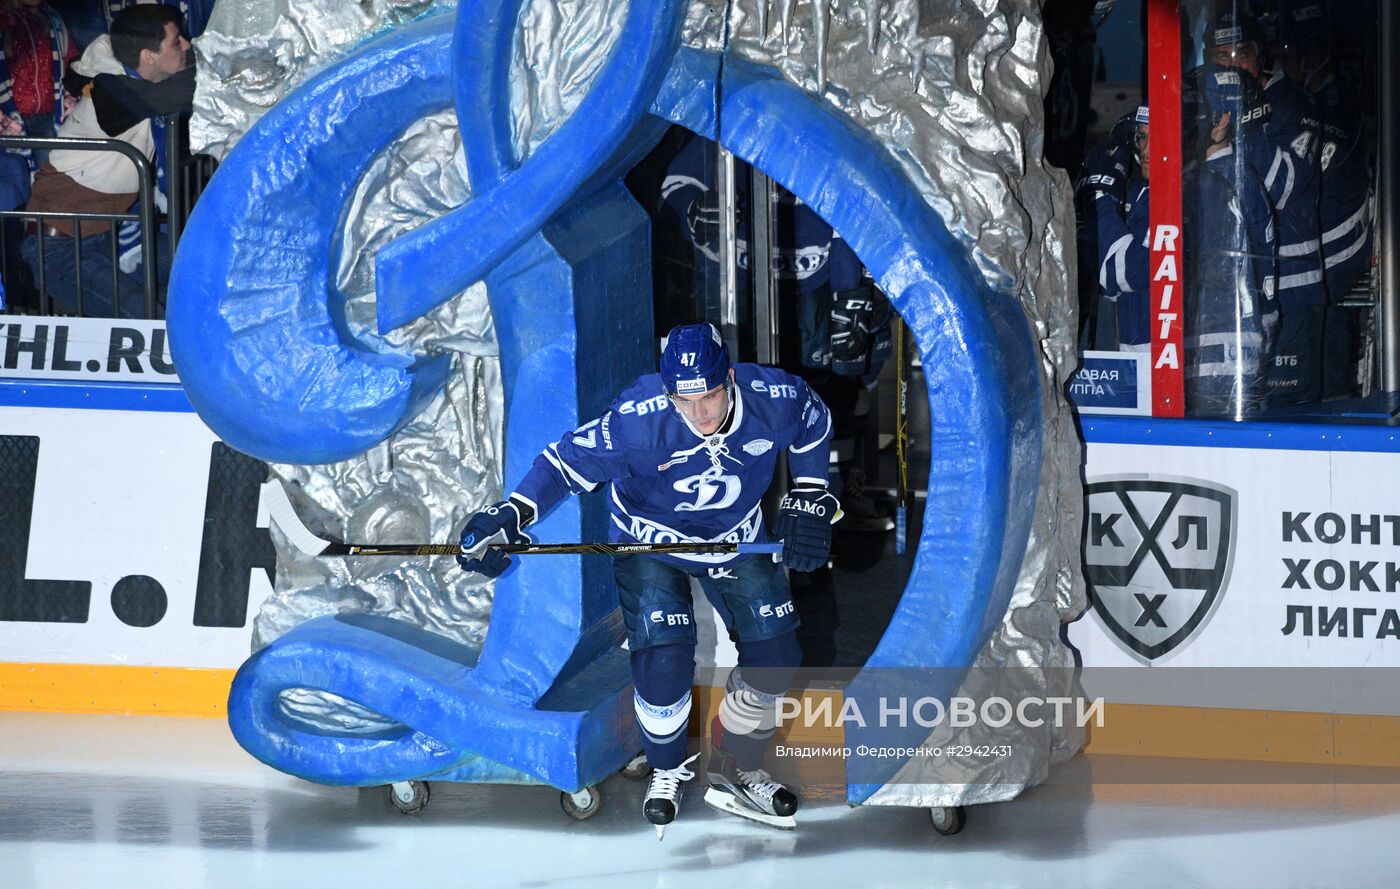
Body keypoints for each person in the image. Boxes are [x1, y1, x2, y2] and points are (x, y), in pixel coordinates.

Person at [455, 322, 838, 836]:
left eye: (710, 396)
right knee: (664, 660)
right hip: (651, 542)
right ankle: (667, 767)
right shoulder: (639, 420)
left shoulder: (775, 397)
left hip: (735, 537)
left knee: (777, 659)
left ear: (730, 377)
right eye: (685, 400)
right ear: (667, 392)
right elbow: (564, 463)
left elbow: (816, 419)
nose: (700, 413)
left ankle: (736, 762)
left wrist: (812, 493)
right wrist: (512, 514)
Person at [20, 3, 192, 318]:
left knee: (203, 273)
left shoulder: (133, 84)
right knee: (144, 320)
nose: (187, 45)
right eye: (176, 41)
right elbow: (192, 88)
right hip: (61, 250)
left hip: (112, 238)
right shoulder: (114, 94)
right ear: (148, 56)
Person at [1208, 9, 1327, 405]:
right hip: (1231, 300)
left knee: (1292, 421)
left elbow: (1285, 189)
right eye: (1221, 55)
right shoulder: (1203, 108)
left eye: (1241, 53)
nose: (1232, 64)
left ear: (1261, 56)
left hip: (1291, 293)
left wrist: (1249, 122)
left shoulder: (1292, 102)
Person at [0, 0, 80, 167]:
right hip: (9, 120)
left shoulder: (51, 18)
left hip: (47, 116)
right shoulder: (4, 20)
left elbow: (71, 61)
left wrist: (69, 95)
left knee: (48, 174)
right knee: (17, 177)